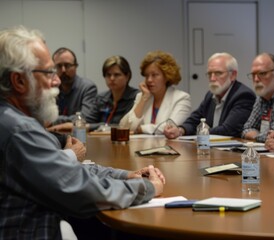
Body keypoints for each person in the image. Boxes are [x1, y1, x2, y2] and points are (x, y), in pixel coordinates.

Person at [0, 25, 165, 239]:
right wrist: (148, 187)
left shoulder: (13, 120)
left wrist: (125, 175)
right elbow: (81, 191)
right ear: (19, 81)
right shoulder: (19, 130)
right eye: (49, 72)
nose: (57, 80)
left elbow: (66, 173)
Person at [164, 52, 256, 139]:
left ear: (233, 75)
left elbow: (228, 130)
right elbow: (194, 120)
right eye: (209, 74)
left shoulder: (243, 95)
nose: (212, 78)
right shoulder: (210, 95)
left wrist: (199, 133)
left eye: (218, 73)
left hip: (233, 152)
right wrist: (180, 130)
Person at [48, 55, 138, 132]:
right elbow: (88, 121)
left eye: (117, 74)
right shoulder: (101, 98)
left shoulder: (136, 97)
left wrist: (91, 127)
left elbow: (124, 126)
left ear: (127, 76)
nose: (112, 78)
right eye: (108, 75)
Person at [120, 50, 191, 134]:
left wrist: (141, 129)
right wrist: (143, 99)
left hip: (169, 146)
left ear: (167, 76)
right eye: (146, 75)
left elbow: (170, 127)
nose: (149, 80)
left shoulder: (181, 98)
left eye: (154, 75)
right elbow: (124, 127)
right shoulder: (142, 96)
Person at [52, 47, 98, 124]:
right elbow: (43, 117)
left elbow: (85, 118)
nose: (63, 70)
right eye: (59, 66)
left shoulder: (87, 87)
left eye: (67, 65)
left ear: (76, 66)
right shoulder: (52, 88)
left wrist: (54, 120)